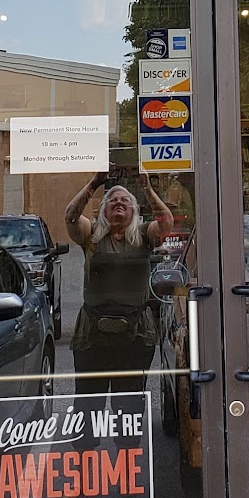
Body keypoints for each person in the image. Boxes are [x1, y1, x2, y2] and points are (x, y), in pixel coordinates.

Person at [61, 167, 177, 391]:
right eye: (112, 200)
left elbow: (166, 222)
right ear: (103, 210)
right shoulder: (91, 234)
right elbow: (71, 217)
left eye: (125, 200)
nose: (119, 202)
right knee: (89, 401)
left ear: (134, 210)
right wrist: (94, 184)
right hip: (92, 332)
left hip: (136, 331)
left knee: (130, 401)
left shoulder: (144, 234)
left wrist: (147, 189)